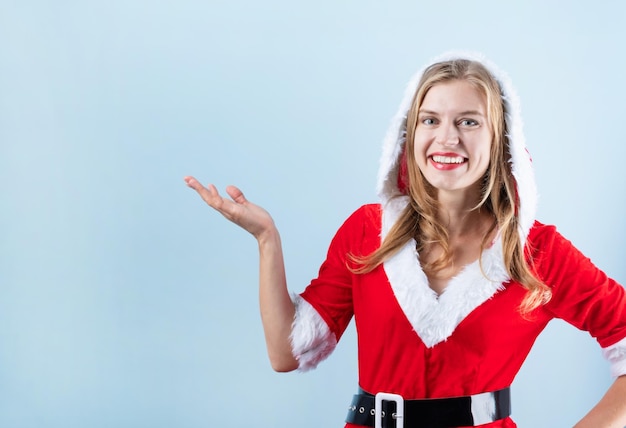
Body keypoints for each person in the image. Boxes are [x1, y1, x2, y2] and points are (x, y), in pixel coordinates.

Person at [184, 52, 626, 427]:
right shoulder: (366, 231)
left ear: (501, 142)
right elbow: (287, 352)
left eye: (468, 121)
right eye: (430, 120)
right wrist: (267, 239)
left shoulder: (537, 252)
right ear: (409, 135)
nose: (446, 138)